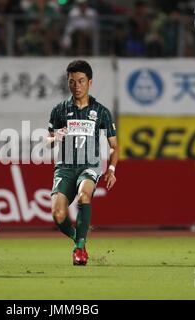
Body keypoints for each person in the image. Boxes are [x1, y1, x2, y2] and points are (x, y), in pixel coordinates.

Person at [47, 60, 118, 266]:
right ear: (67, 83)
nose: (76, 86)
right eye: (72, 82)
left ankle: (79, 249)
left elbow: (114, 146)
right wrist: (55, 138)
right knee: (57, 214)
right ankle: (79, 240)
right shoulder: (59, 110)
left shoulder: (101, 112)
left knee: (84, 194)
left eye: (81, 81)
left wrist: (111, 169)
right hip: (65, 167)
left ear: (90, 82)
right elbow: (48, 139)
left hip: (90, 165)